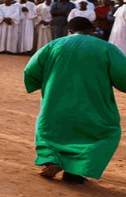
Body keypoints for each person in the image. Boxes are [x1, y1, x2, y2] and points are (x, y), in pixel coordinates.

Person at [25, 16, 126, 183]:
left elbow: (30, 71)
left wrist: (44, 84)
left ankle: (51, 160)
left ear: (69, 31)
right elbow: (123, 77)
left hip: (54, 106)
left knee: (48, 131)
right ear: (92, 31)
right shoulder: (107, 48)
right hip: (93, 109)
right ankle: (77, 170)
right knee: (106, 133)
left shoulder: (54, 45)